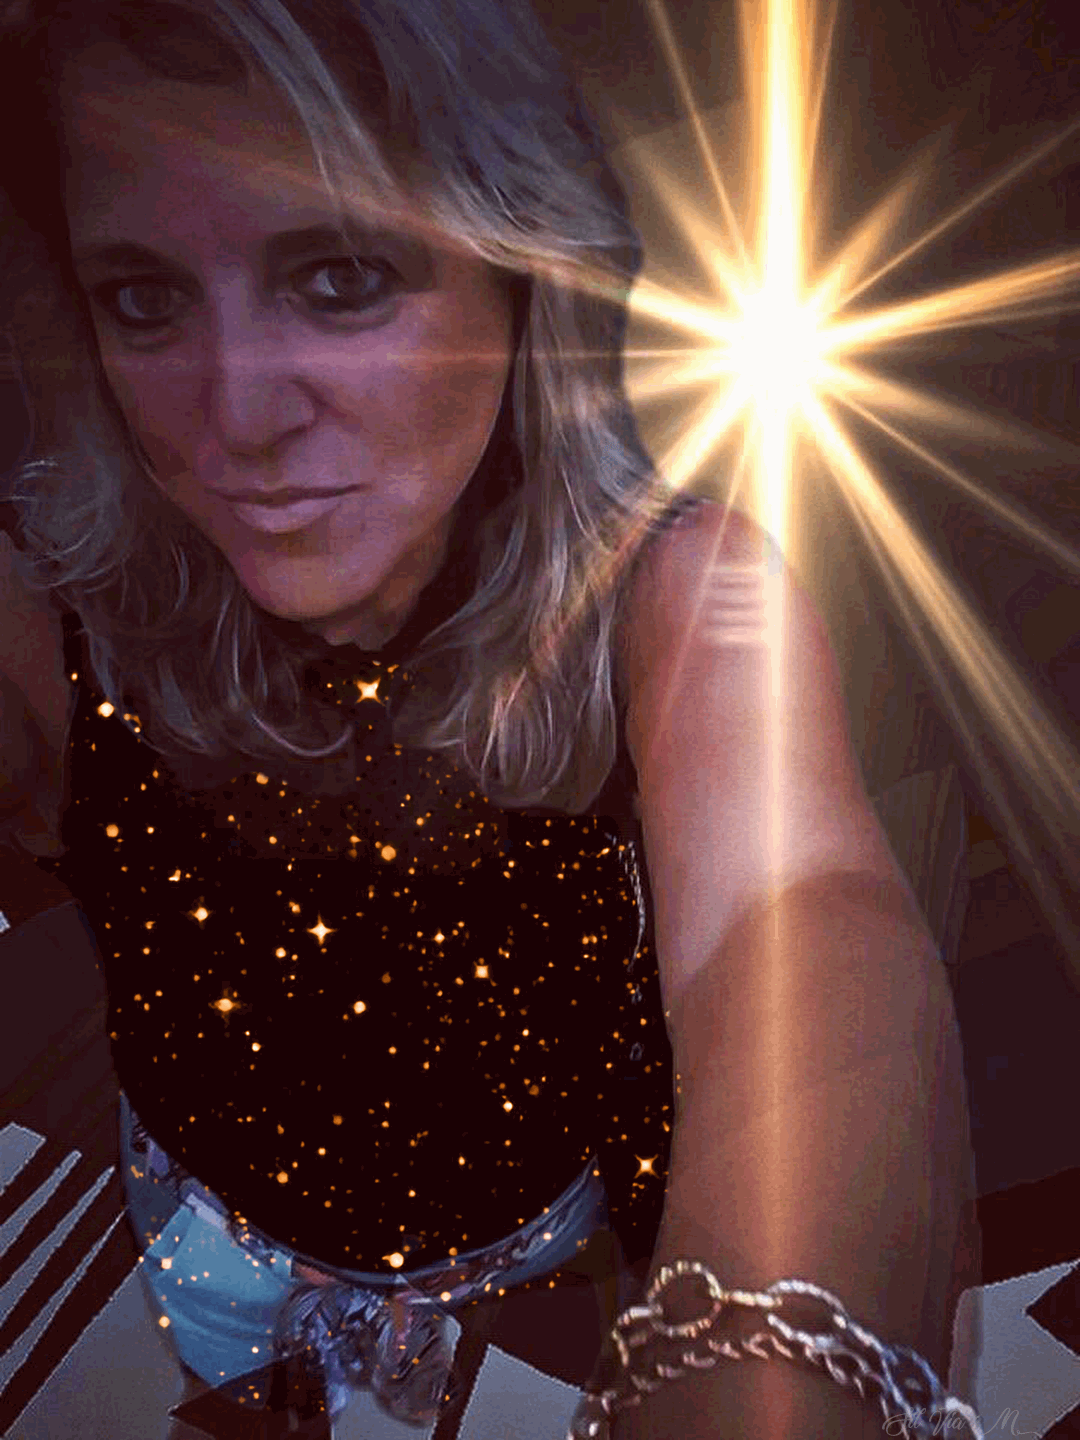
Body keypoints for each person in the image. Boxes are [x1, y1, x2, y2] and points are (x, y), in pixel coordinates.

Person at [0, 1, 981, 1436]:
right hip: (212, 1235)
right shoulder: (50, 599)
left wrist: (769, 1382)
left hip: (556, 1255)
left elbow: (802, 913)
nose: (236, 414)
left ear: (524, 275)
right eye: (143, 299)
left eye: (340, 278)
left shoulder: (671, 589)